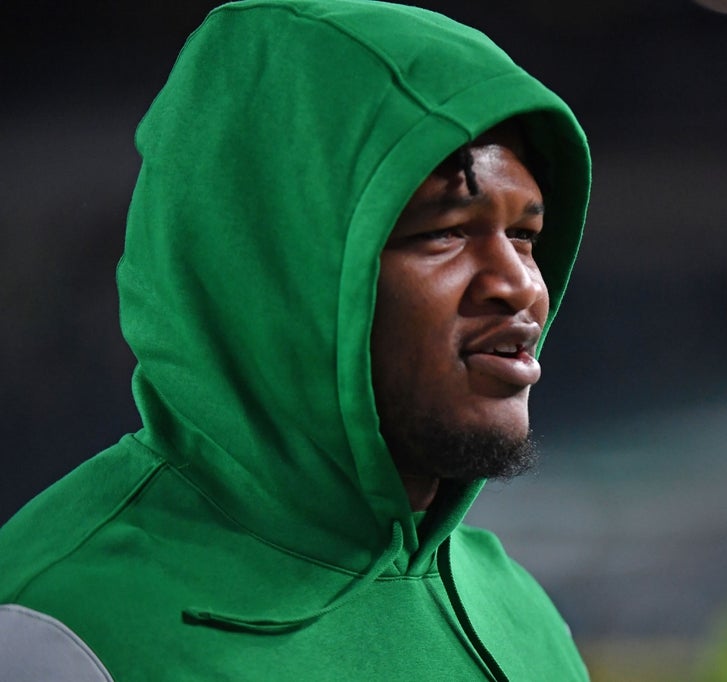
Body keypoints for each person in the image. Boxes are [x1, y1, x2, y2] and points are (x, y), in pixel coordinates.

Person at [0, 0, 591, 679]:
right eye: (446, 232)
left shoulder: (522, 617)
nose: (520, 286)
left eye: (525, 236)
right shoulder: (58, 635)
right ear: (278, 268)